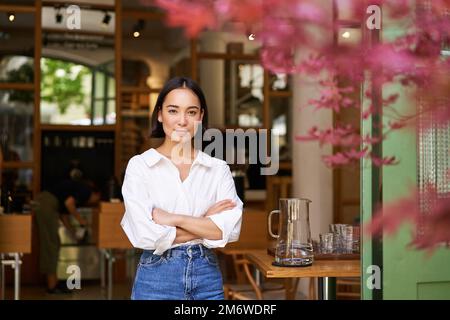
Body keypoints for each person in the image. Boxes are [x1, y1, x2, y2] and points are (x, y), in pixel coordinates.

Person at [121, 76, 243, 300]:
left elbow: (229, 230)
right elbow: (143, 235)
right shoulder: (140, 166)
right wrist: (204, 221)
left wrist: (171, 218)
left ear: (201, 117)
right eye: (173, 110)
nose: (182, 121)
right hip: (156, 277)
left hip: (207, 276)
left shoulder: (218, 168)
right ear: (160, 114)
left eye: (192, 112)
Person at [33, 179, 101, 294]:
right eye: (97, 200)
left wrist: (73, 233)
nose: (94, 202)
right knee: (50, 244)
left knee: (53, 243)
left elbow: (64, 216)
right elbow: (69, 204)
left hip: (44, 203)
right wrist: (81, 221)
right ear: (96, 194)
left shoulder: (72, 191)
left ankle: (54, 281)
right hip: (46, 204)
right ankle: (52, 286)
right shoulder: (86, 191)